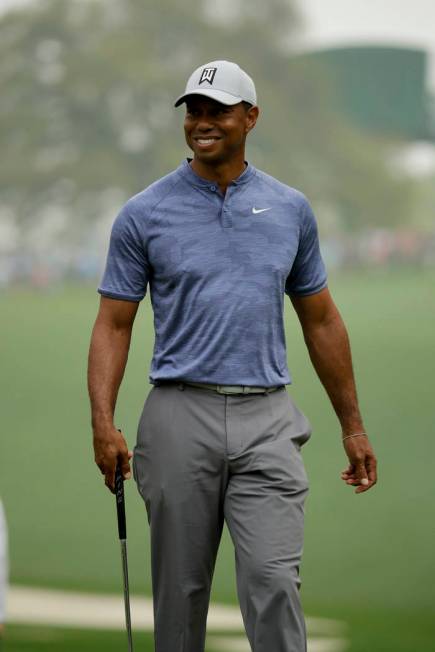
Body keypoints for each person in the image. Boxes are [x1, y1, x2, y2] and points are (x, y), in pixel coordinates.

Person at [88, 60, 377, 652]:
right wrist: (102, 421)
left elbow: (320, 317)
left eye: (217, 110)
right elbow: (114, 324)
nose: (202, 122)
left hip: (267, 418)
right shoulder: (145, 213)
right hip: (177, 415)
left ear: (250, 117)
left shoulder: (290, 209)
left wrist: (353, 425)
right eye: (193, 110)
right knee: (181, 596)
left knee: (274, 583)